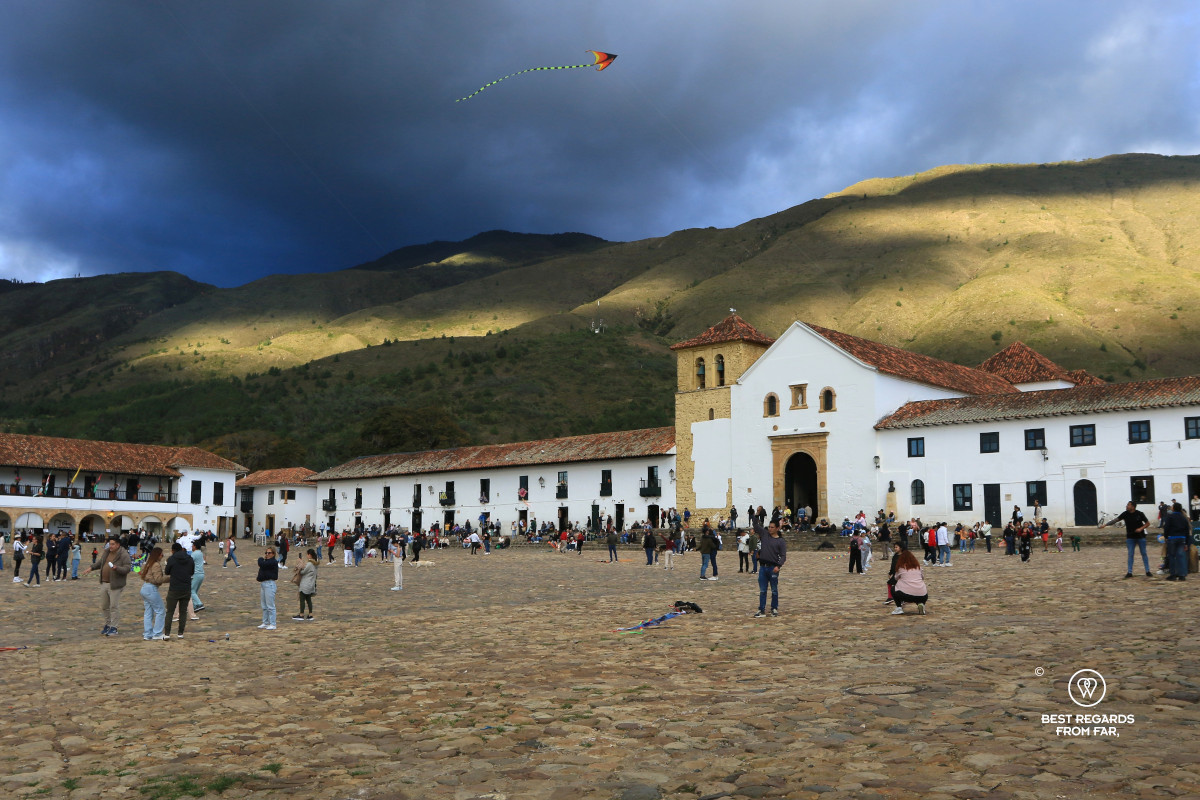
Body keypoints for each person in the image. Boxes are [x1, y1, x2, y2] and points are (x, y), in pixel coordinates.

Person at [82, 534, 132, 635]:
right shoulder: (107, 552)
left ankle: (114, 627)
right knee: (104, 606)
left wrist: (117, 568)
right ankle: (108, 624)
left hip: (115, 584)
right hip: (104, 582)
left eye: (113, 544)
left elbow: (127, 568)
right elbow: (101, 562)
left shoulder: (123, 554)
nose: (111, 546)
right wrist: (91, 568)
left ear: (118, 544)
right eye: (110, 544)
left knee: (113, 606)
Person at [1101, 501, 1152, 578]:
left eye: (1128, 505)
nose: (1126, 506)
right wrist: (1105, 525)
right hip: (1130, 537)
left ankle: (1148, 571)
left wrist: (1141, 528)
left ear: (1133, 507)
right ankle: (1129, 572)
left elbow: (1147, 523)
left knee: (1144, 553)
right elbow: (1116, 520)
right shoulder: (1125, 514)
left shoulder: (1140, 514)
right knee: (1130, 554)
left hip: (1140, 537)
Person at [752, 517, 786, 617]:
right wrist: (757, 515)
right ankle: (761, 609)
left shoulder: (780, 541)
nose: (770, 529)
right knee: (762, 590)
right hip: (763, 567)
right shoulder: (764, 535)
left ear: (777, 528)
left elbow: (783, 556)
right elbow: (755, 526)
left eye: (772, 527)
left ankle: (774, 608)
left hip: (773, 568)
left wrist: (778, 566)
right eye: (769, 527)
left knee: (774, 590)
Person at [162, 542, 194, 639]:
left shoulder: (172, 559)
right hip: (186, 588)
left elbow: (167, 572)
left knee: (170, 612)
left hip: (174, 588)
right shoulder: (190, 559)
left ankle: (167, 634)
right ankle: (180, 633)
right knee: (183, 612)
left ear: (173, 550)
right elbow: (192, 571)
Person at [138, 546, 167, 641]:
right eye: (162, 554)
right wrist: (170, 578)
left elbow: (143, 575)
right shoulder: (156, 565)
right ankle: (157, 633)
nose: (162, 556)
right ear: (158, 555)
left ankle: (148, 634)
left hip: (145, 588)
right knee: (160, 610)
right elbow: (158, 579)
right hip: (151, 589)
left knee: (148, 612)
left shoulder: (148, 563)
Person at [890, 549, 928, 615]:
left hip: (906, 595)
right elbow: (922, 578)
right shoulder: (918, 567)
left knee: (893, 589)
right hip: (923, 595)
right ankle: (921, 604)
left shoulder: (901, 568)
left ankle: (899, 608)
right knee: (918, 591)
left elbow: (896, 578)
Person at [1164, 502, 1191, 581]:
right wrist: (1186, 542)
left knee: (1172, 556)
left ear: (1174, 508)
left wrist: (1166, 536)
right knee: (1181, 556)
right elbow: (1187, 530)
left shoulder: (1170, 517)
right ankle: (1182, 575)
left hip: (1172, 537)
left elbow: (1166, 527)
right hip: (1182, 538)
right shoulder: (1183, 518)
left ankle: (1173, 574)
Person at [257, 546, 279, 630]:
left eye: (269, 553)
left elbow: (261, 563)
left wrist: (260, 559)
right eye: (266, 553)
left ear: (273, 554)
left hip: (270, 584)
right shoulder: (266, 561)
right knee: (264, 605)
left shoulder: (273, 562)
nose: (267, 554)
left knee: (270, 605)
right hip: (263, 583)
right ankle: (265, 622)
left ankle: (273, 623)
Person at [293, 549, 319, 619]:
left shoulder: (310, 564)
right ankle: (310, 614)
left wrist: (300, 564)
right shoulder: (315, 563)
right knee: (309, 600)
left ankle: (301, 614)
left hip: (306, 584)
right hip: (311, 584)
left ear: (309, 555)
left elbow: (302, 572)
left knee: (302, 599)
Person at [190, 540, 207, 612]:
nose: (192, 547)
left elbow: (189, 562)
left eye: (192, 545)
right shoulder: (200, 553)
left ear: (195, 546)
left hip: (196, 574)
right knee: (195, 591)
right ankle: (194, 605)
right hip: (201, 574)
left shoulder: (194, 554)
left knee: (191, 591)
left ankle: (199, 604)